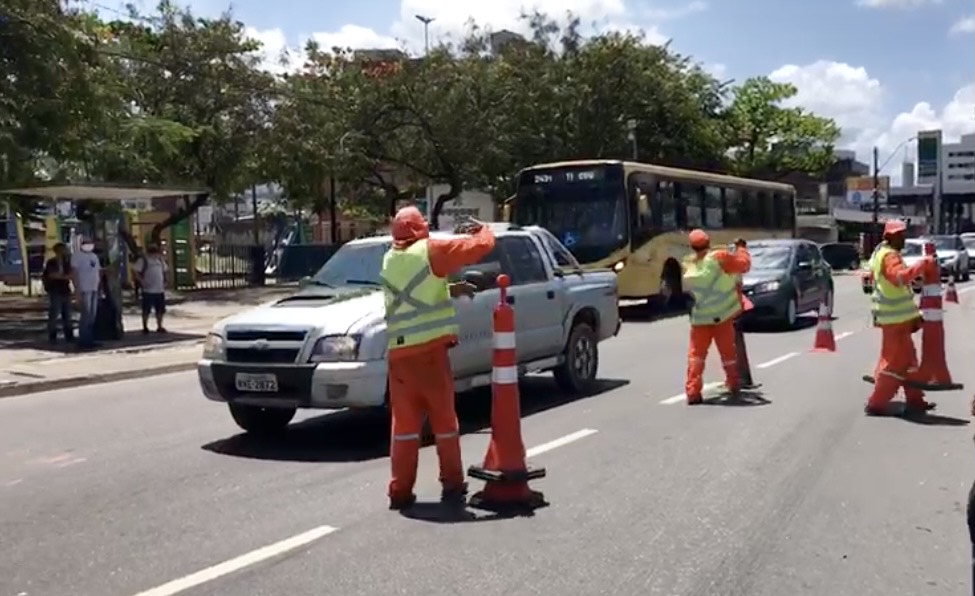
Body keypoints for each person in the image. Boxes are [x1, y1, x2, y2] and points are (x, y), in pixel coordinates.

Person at [379, 207, 495, 510]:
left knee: (404, 428)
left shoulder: (390, 258)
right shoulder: (429, 250)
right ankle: (452, 485)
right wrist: (484, 231)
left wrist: (449, 288)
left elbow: (416, 290)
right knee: (444, 422)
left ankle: (400, 491)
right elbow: (477, 248)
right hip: (430, 354)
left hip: (400, 358)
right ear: (421, 229)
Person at [864, 219, 936, 416]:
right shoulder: (889, 257)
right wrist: (924, 264)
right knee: (895, 363)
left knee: (909, 361)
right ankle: (876, 403)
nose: (903, 239)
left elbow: (874, 277)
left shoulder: (882, 253)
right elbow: (899, 278)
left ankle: (915, 401)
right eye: (900, 235)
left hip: (895, 320)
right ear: (892, 237)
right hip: (894, 321)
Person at [681, 229, 751, 404]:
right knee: (728, 353)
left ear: (692, 247)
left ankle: (693, 392)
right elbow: (743, 265)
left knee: (696, 356)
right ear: (708, 242)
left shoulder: (688, 264)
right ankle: (733, 383)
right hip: (722, 315)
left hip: (699, 318)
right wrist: (741, 248)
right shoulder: (719, 257)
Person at [70, 237, 101, 350]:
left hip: (94, 288)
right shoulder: (77, 256)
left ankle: (90, 338)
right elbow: (74, 273)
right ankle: (83, 340)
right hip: (84, 288)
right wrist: (76, 290)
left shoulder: (94, 256)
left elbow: (97, 271)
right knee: (86, 315)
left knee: (92, 315)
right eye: (86, 243)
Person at [42, 243, 73, 344]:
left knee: (67, 314)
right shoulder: (51, 262)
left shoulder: (67, 262)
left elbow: (71, 274)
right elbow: (52, 275)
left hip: (65, 290)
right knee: (54, 314)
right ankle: (52, 336)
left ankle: (69, 335)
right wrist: (64, 276)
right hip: (55, 290)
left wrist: (63, 276)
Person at [134, 243, 168, 333]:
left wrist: (165, 281)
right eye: (152, 252)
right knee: (146, 310)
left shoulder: (160, 260)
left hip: (159, 289)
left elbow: (164, 271)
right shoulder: (143, 260)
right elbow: (136, 271)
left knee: (160, 310)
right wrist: (142, 281)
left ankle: (159, 326)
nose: (154, 254)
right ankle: (145, 326)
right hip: (148, 289)